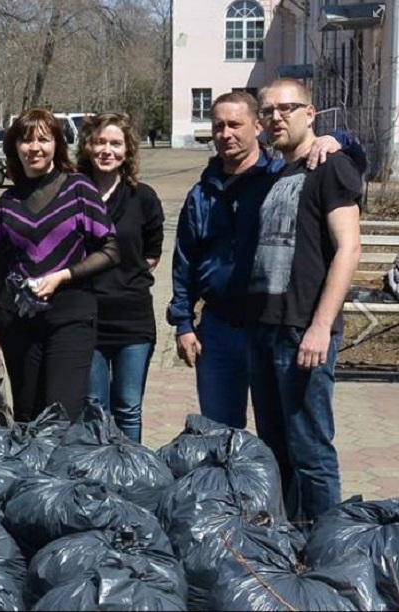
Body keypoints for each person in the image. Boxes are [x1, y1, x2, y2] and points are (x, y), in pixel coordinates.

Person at [167, 91, 363, 431]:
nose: (225, 134)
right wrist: (183, 323)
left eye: (234, 124)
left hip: (270, 325)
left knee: (282, 434)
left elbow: (350, 165)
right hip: (217, 329)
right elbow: (184, 262)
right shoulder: (201, 194)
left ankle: (273, 486)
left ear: (258, 127)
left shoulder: (281, 177)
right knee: (219, 433)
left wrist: (339, 140)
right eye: (218, 126)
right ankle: (229, 487)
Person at [246, 78, 362, 526]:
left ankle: (329, 552)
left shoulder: (331, 166)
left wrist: (320, 325)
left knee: (311, 450)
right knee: (276, 449)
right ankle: (291, 541)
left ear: (310, 114)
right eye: (268, 111)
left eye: (286, 108)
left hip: (302, 330)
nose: (276, 117)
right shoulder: (279, 173)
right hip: (266, 327)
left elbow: (348, 249)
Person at [0, 108, 120, 423]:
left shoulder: (78, 188)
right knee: (25, 414)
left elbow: (112, 250)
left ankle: (58, 473)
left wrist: (64, 275)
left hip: (70, 316)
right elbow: (1, 266)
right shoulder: (8, 201)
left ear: (56, 145)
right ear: (14, 148)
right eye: (26, 141)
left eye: (43, 140)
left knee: (60, 415)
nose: (34, 148)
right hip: (19, 320)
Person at [77, 113, 164, 442]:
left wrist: (124, 276)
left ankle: (131, 478)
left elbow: (152, 252)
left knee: (128, 406)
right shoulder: (74, 194)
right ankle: (95, 476)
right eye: (100, 142)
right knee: (94, 406)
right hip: (87, 314)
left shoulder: (143, 197)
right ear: (88, 146)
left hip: (132, 317)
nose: (107, 150)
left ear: (127, 150)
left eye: (115, 143)